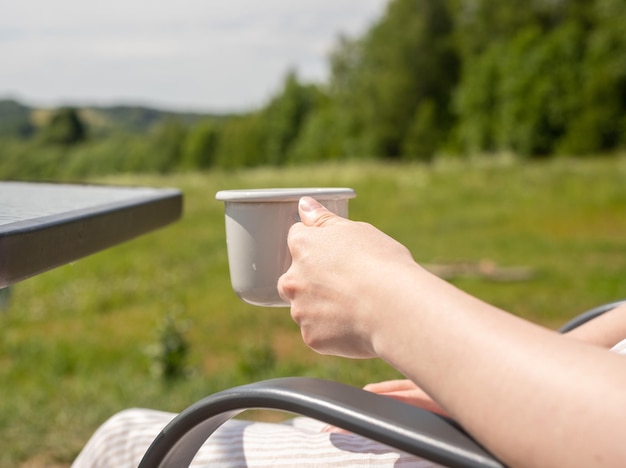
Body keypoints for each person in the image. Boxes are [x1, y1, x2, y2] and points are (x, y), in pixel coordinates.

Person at [73, 197, 626, 467]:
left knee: (125, 440)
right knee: (306, 423)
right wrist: (495, 385)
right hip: (553, 410)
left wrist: (377, 295)